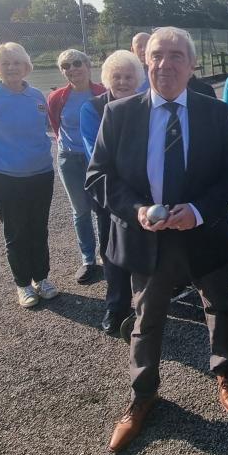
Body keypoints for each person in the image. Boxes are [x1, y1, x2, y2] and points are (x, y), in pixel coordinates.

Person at [85, 27, 228, 453]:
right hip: (145, 236)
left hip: (202, 232)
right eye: (157, 55)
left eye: (176, 56)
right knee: (145, 319)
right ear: (145, 62)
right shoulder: (119, 114)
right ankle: (143, 394)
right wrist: (135, 210)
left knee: (219, 305)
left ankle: (224, 369)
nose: (165, 64)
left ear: (192, 66)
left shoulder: (215, 113)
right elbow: (97, 177)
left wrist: (198, 210)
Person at [0, 42, 58, 308]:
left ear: (25, 65)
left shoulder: (38, 97)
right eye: (5, 63)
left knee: (39, 229)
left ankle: (42, 278)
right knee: (16, 232)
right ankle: (23, 285)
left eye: (16, 62)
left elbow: (43, 128)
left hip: (40, 174)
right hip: (3, 177)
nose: (12, 67)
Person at [80, 50, 145, 333]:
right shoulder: (92, 109)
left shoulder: (147, 105)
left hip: (144, 192)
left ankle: (148, 305)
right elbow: (96, 152)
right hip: (110, 192)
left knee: (145, 248)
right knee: (111, 251)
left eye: (129, 76)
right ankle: (116, 306)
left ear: (138, 79)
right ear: (107, 78)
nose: (122, 81)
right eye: (116, 76)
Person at [48, 49, 106, 284]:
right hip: (70, 159)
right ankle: (88, 259)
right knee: (80, 210)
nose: (72, 69)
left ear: (88, 65)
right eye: (66, 66)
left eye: (77, 63)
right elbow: (55, 124)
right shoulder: (57, 97)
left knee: (103, 208)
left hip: (98, 159)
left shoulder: (102, 93)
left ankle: (108, 255)